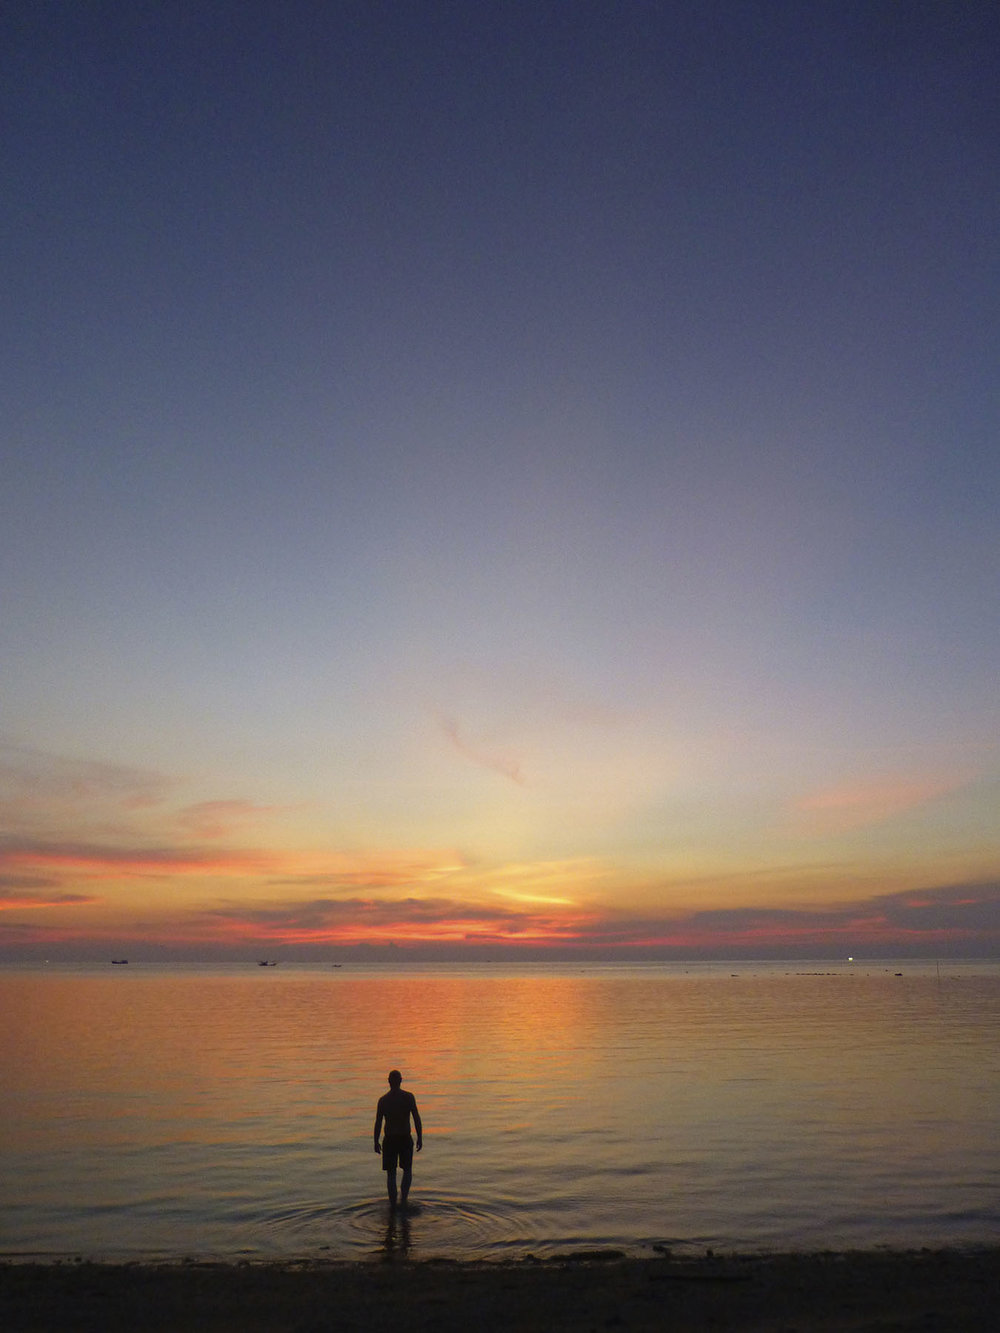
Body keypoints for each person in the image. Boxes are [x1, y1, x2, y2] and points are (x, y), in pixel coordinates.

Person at [373, 1069, 422, 1207]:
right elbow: (416, 1118)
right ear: (401, 1081)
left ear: (389, 1081)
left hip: (391, 1140)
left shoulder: (383, 1101)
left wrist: (375, 1141)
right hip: (404, 1138)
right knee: (407, 1170)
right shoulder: (408, 1097)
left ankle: (394, 1204)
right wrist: (420, 1137)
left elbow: (378, 1122)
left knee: (391, 1174)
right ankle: (404, 1200)